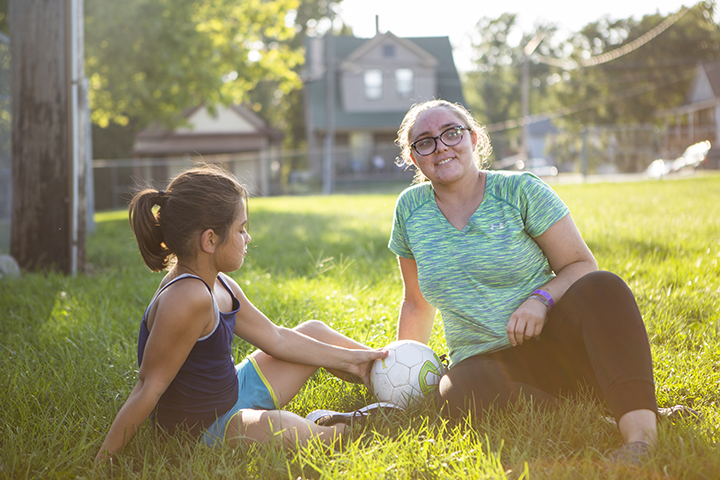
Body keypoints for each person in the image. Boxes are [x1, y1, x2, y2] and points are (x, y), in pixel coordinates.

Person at [388, 99, 660, 461]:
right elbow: (417, 302)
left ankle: (641, 437)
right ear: (414, 157)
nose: (441, 147)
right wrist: (399, 373)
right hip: (484, 364)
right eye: (425, 141)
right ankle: (606, 410)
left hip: (556, 345)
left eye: (451, 133)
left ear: (472, 138)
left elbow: (580, 264)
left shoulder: (520, 191)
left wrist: (540, 300)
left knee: (604, 286)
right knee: (458, 392)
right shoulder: (410, 209)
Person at [96, 164, 388, 462]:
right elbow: (149, 385)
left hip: (233, 389)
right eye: (240, 229)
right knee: (280, 428)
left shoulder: (221, 282)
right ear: (209, 240)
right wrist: (103, 460)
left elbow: (276, 339)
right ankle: (347, 426)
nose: (247, 238)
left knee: (313, 330)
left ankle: (386, 373)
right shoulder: (187, 297)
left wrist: (353, 360)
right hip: (203, 429)